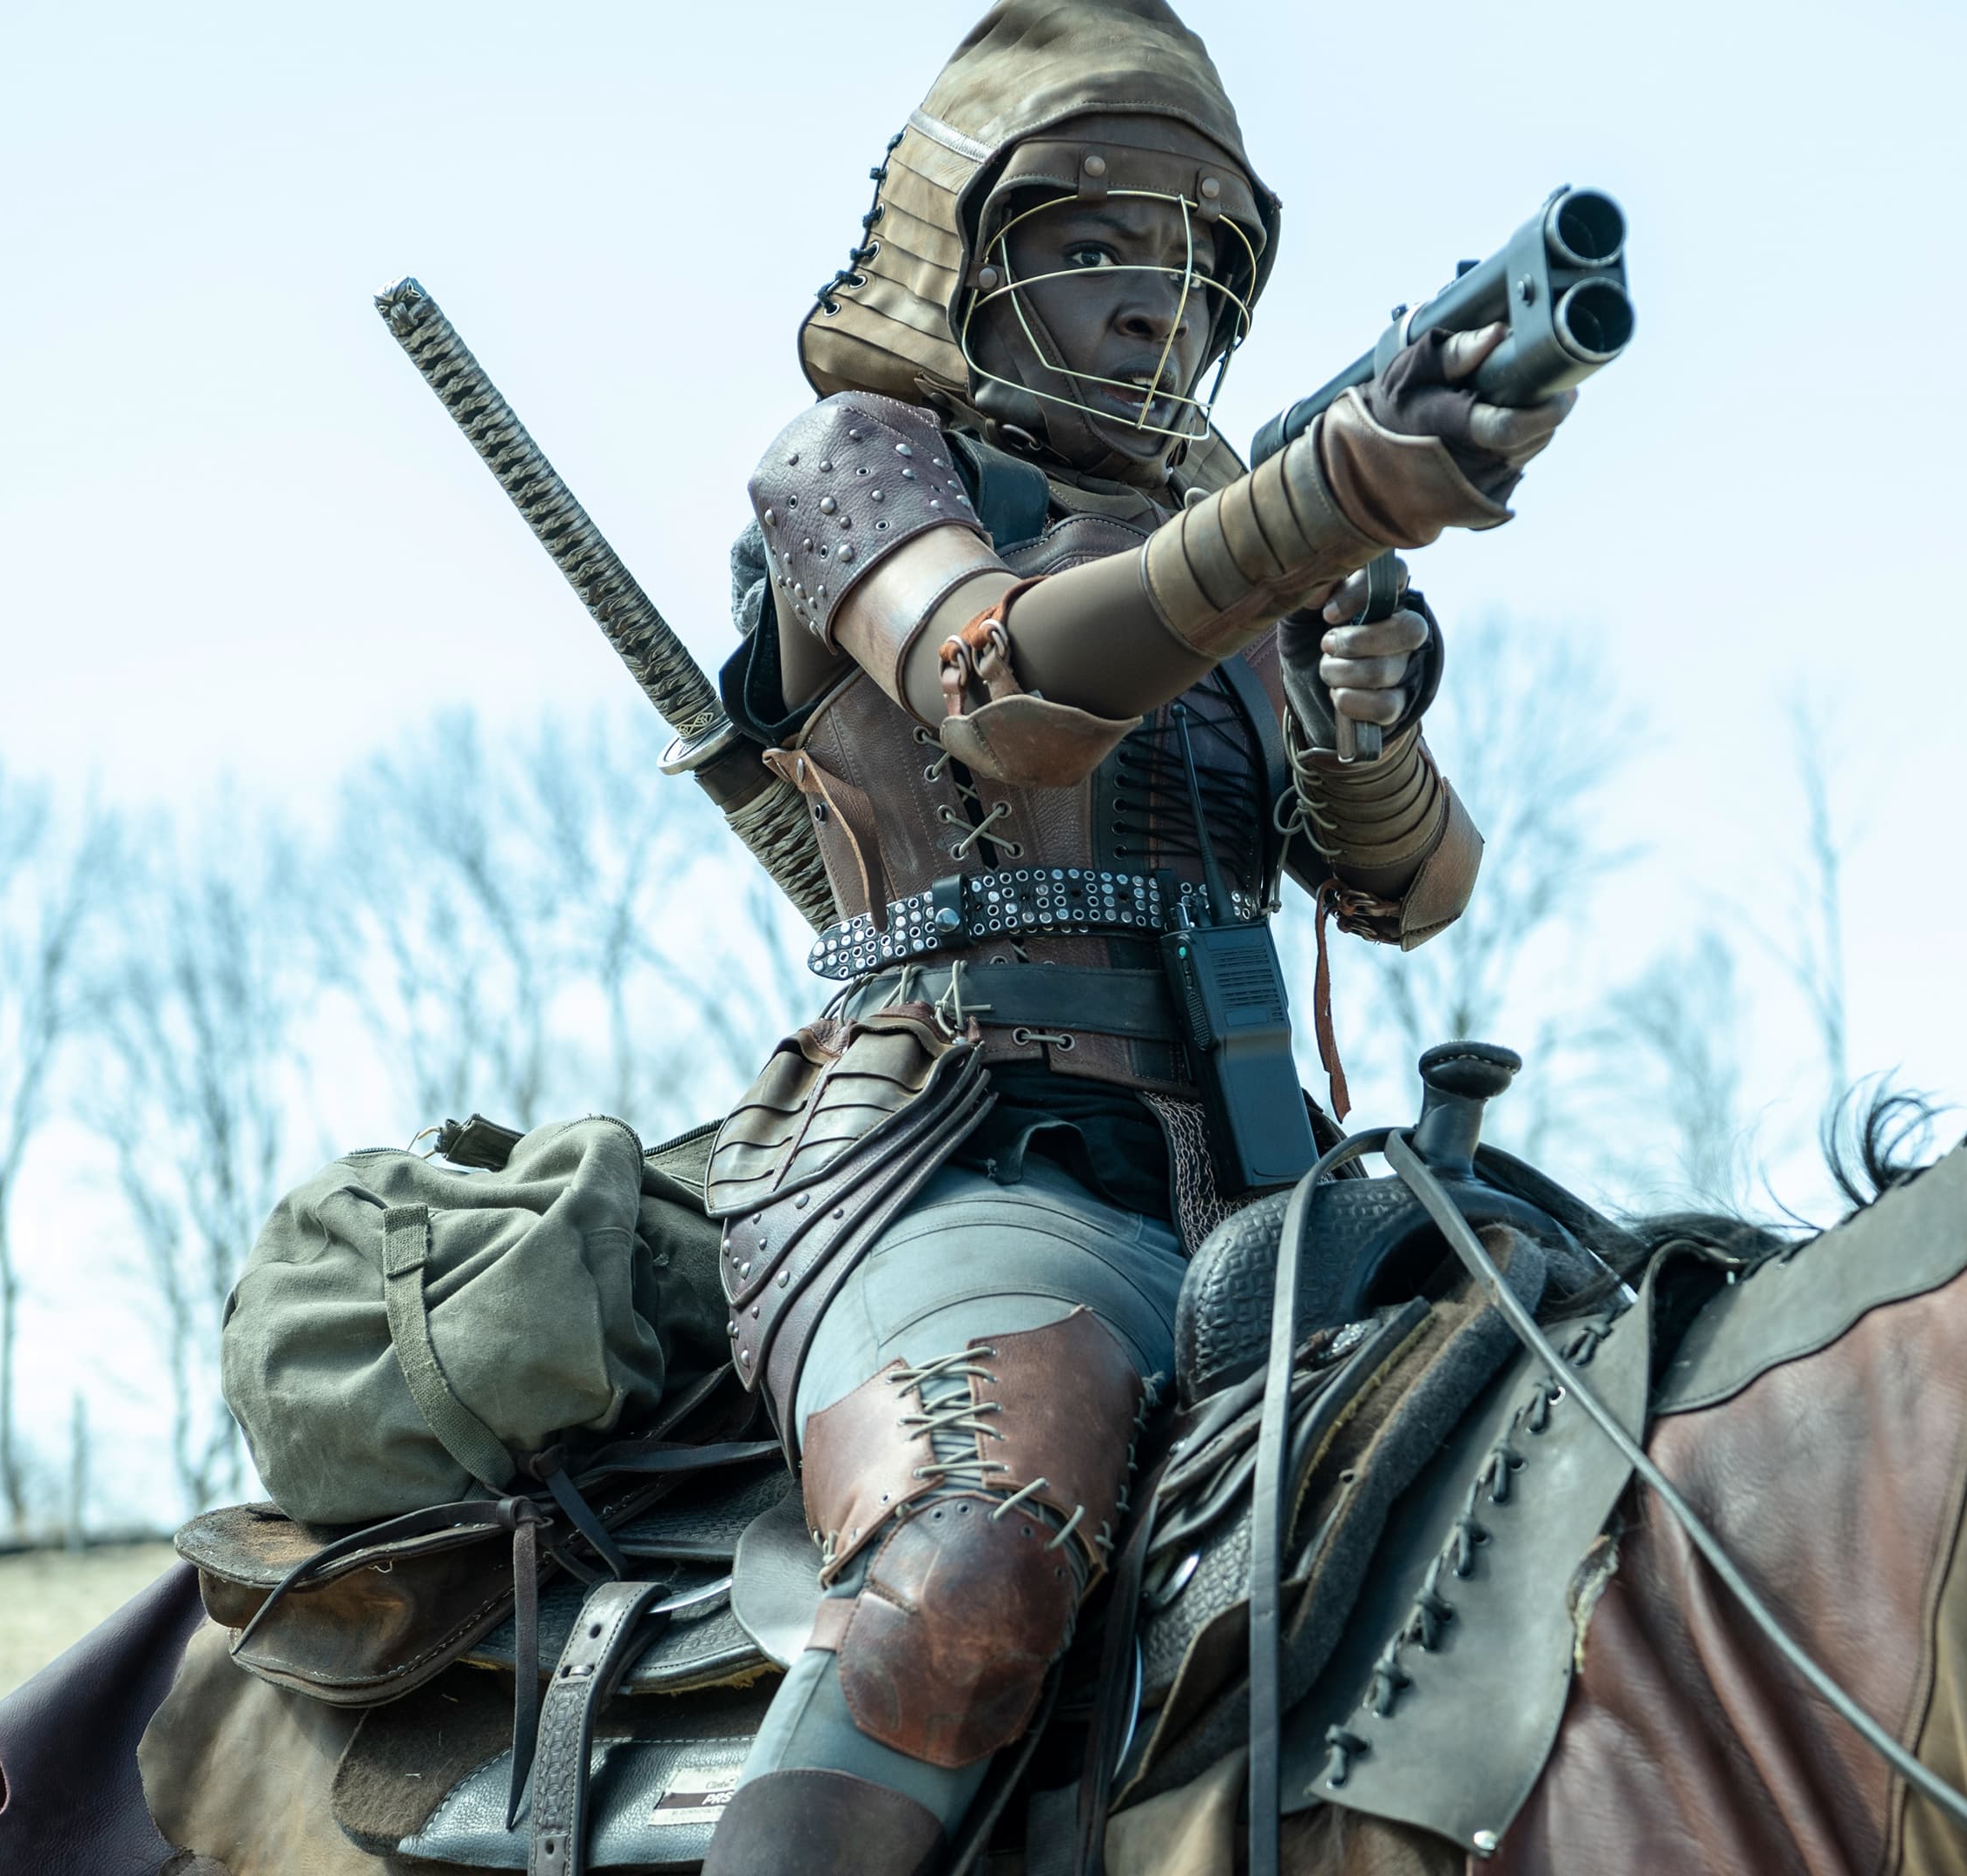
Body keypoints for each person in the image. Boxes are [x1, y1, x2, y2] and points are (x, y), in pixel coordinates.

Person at [693, 3, 1576, 1868]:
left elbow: (1412, 892)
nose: (1154, 305)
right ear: (962, 260)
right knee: (972, 1561)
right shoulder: (855, 461)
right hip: (954, 1166)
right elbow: (1001, 689)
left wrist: (1356, 719)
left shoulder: (1244, 548)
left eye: (1193, 267)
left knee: (1600, 1402)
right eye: (1095, 244)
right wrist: (1321, 502)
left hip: (1263, 1190)